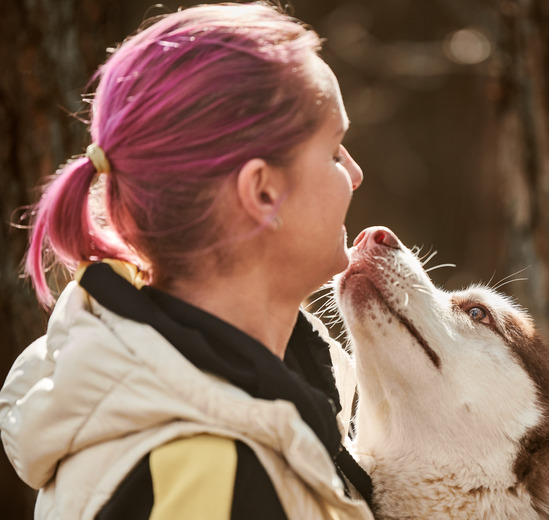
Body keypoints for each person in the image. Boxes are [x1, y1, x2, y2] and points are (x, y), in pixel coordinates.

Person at [0, 3, 374, 519]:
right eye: (334, 151)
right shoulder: (214, 482)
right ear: (262, 191)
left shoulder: (260, 402)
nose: (354, 174)